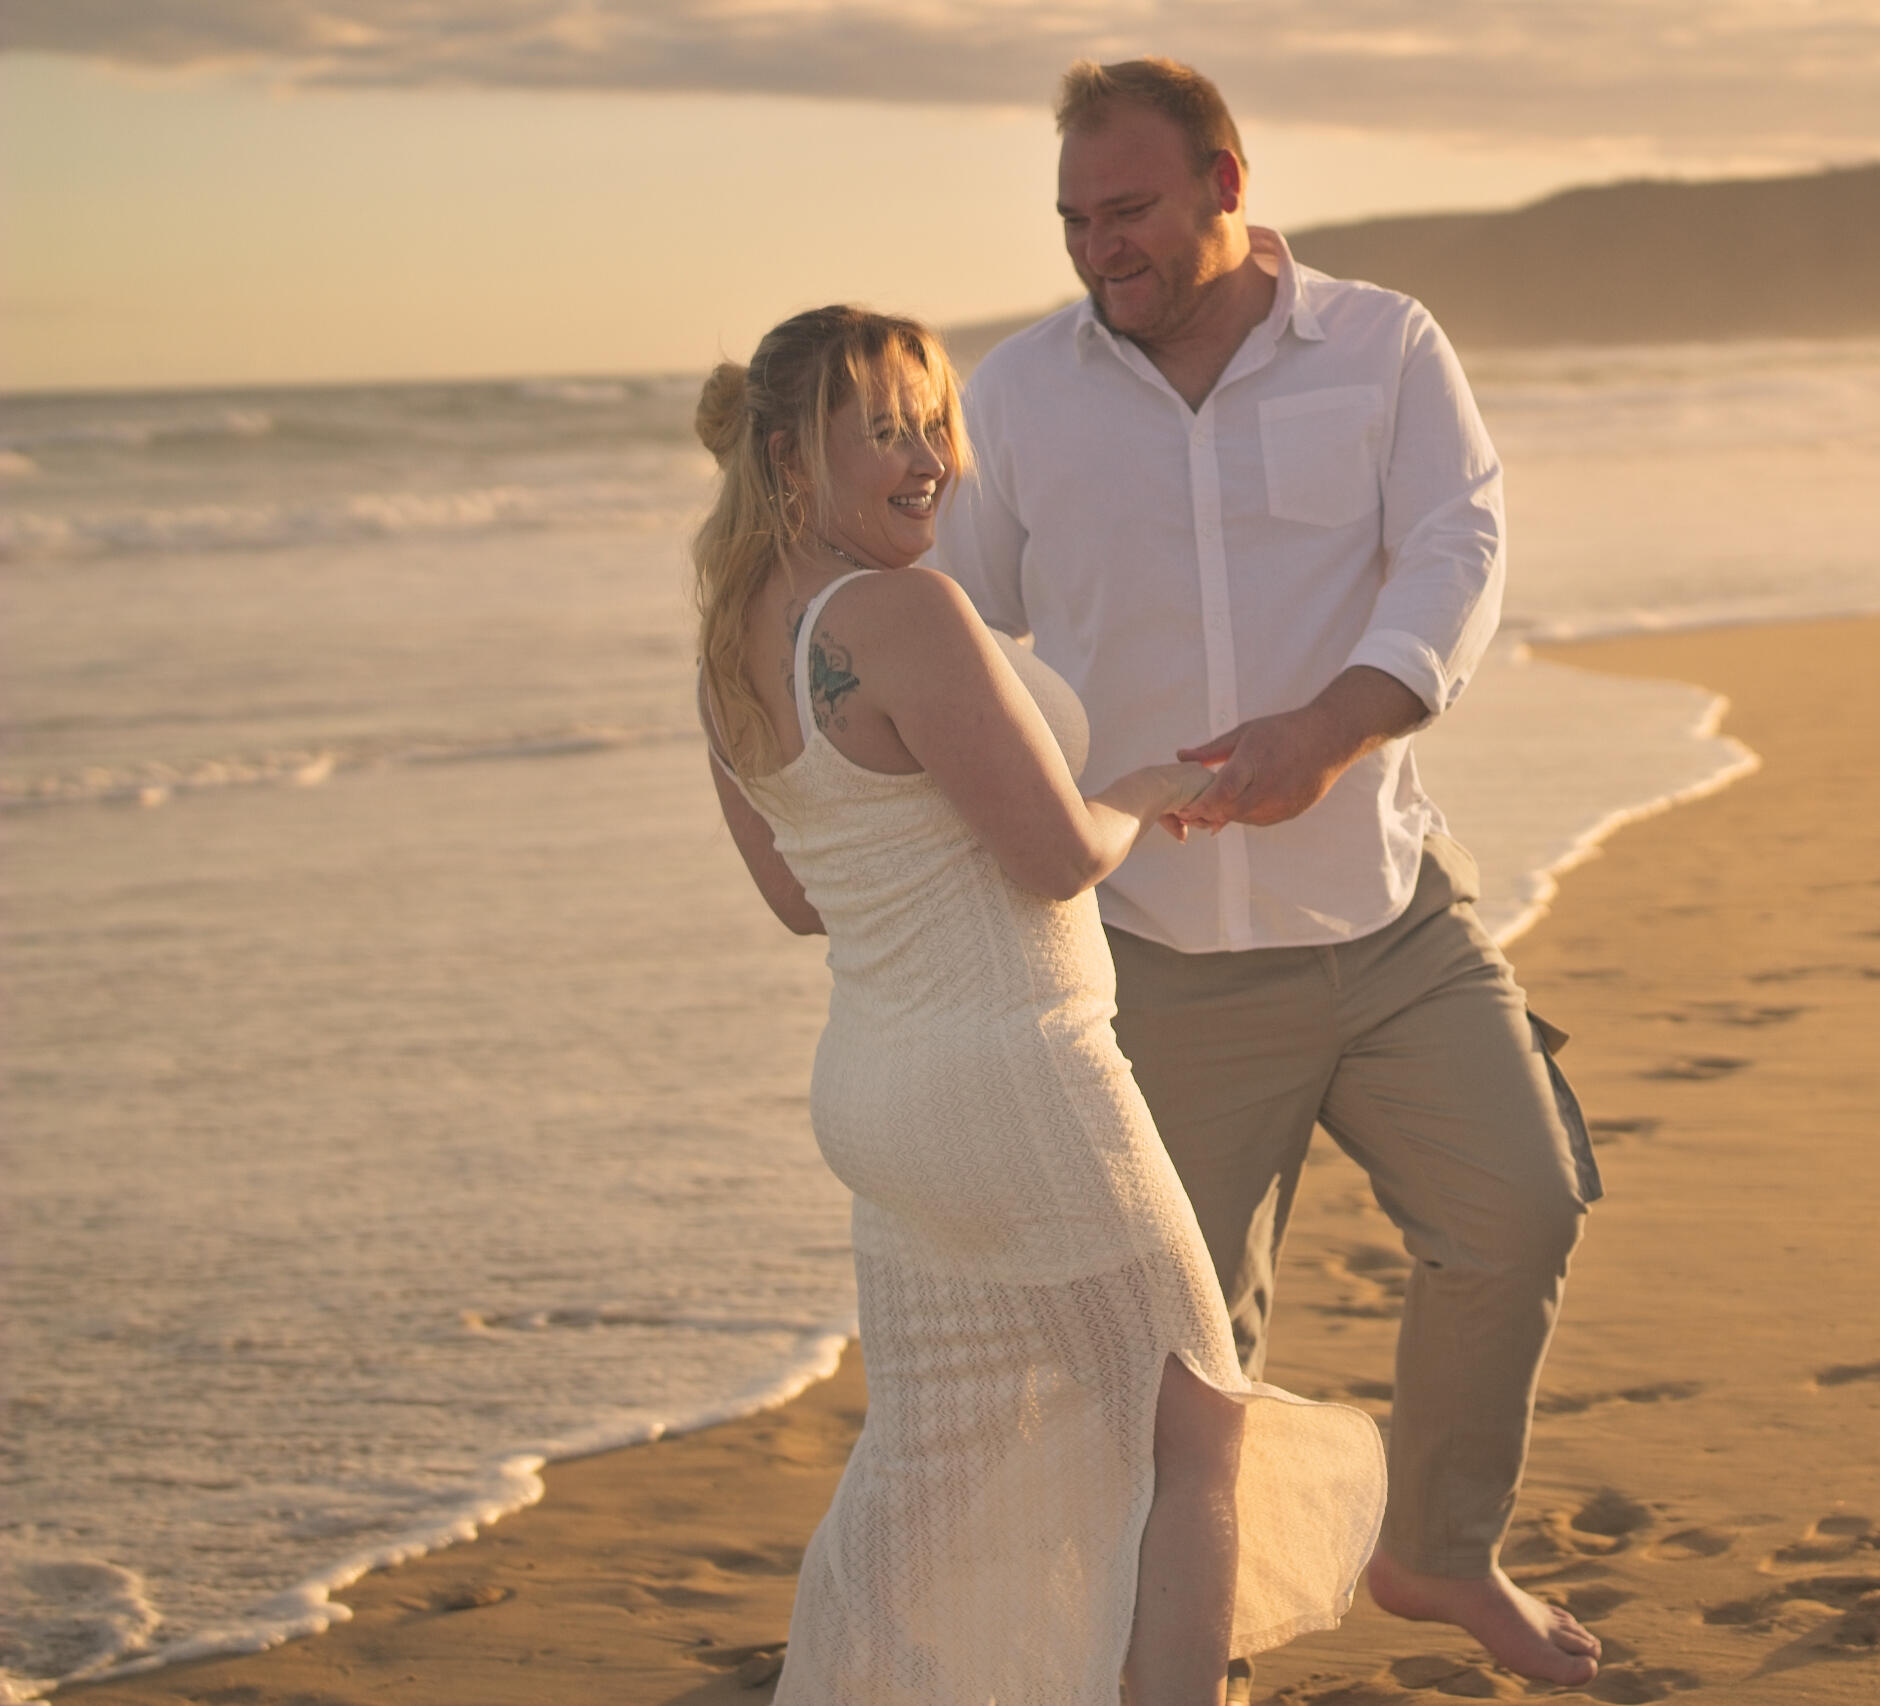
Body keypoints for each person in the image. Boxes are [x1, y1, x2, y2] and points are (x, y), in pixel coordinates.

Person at [935, 58, 1605, 1687]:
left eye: (1131, 209)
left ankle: (1439, 1550)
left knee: (1518, 1209)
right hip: (1154, 946)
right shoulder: (1017, 397)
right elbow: (947, 620)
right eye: (1075, 219)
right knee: (1188, 1352)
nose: (1100, 246)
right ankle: (1194, 1646)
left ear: (1226, 183)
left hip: (1388, 910)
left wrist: (1333, 725)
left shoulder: (1383, 347)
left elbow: (1459, 548)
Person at [691, 303, 1386, 1705]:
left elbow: (799, 896)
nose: (928, 460)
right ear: (788, 456)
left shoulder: (732, 642)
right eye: (884, 431)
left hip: (879, 1093)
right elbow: (1059, 858)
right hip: (1017, 1074)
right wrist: (1143, 788)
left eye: (934, 426)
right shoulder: (902, 613)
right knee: (1192, 1422)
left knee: (931, 1462)